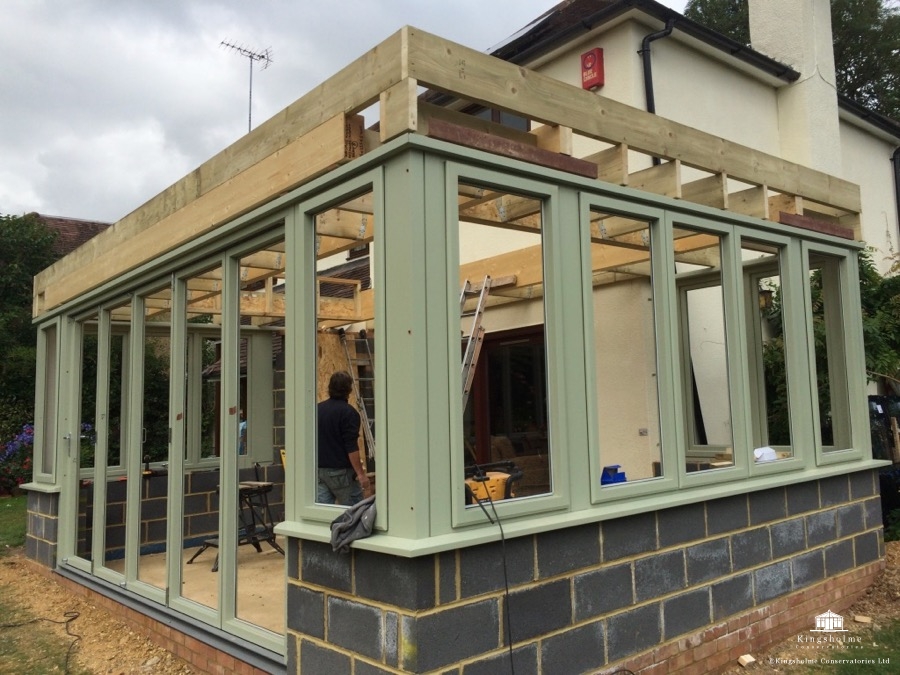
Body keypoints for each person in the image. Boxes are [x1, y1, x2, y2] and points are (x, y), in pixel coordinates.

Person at [317, 371, 371, 505]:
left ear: (330, 388)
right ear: (349, 389)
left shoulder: (317, 410)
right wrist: (361, 474)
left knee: (323, 514)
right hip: (341, 472)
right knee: (354, 513)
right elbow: (351, 446)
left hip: (319, 471)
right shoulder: (349, 413)